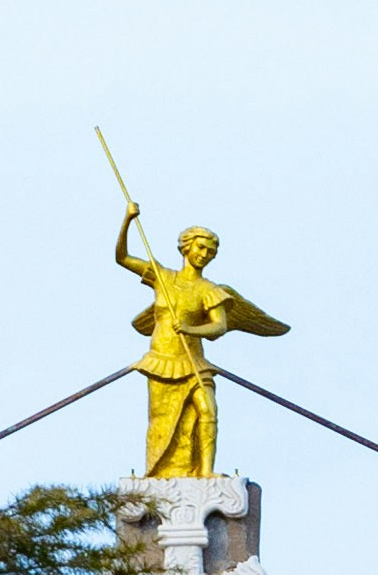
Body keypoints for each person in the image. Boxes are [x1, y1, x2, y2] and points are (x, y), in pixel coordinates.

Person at [113, 205, 285, 479]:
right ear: (186, 248)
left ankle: (206, 472)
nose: (205, 255)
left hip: (193, 361)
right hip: (161, 361)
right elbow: (121, 257)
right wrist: (128, 220)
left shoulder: (209, 290)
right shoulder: (163, 278)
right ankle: (159, 473)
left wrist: (191, 329)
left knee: (208, 409)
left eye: (210, 252)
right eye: (201, 248)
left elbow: (220, 326)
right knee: (161, 422)